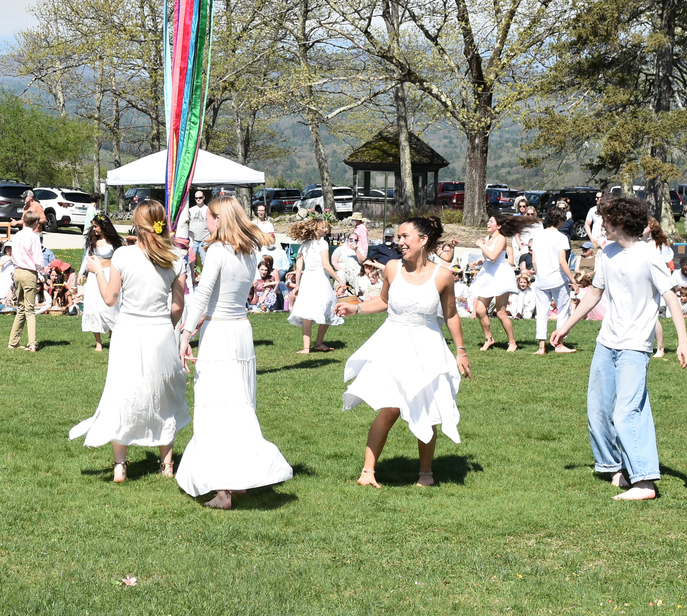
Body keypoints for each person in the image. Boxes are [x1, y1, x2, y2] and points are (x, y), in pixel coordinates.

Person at [553, 195, 687, 502]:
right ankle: (614, 467)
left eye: (607, 222)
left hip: (635, 346)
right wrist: (566, 326)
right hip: (607, 342)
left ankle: (644, 483)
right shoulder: (608, 252)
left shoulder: (649, 256)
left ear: (622, 224)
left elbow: (671, 298)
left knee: (628, 412)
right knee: (598, 412)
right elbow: (594, 294)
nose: (602, 227)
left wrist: (682, 341)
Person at [335, 215, 471, 488]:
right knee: (389, 409)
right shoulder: (392, 268)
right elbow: (383, 301)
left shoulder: (443, 275)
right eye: (398, 237)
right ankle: (368, 472)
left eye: (405, 236)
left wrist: (461, 351)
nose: (399, 242)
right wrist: (357, 307)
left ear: (423, 240)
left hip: (427, 346)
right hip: (393, 345)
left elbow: (452, 314)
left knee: (427, 410)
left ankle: (426, 473)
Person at [175, 197, 294, 508]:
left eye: (211, 218)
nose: (207, 223)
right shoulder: (249, 252)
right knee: (240, 401)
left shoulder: (216, 252)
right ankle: (239, 480)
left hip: (222, 333)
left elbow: (202, 296)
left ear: (220, 219)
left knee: (216, 404)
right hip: (240, 330)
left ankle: (224, 487)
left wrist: (186, 333)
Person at [69, 200, 189, 482]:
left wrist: (98, 270)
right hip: (160, 331)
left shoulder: (123, 255)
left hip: (128, 331)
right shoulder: (175, 257)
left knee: (121, 393)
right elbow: (178, 307)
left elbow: (110, 299)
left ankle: (120, 465)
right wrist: (165, 327)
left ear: (138, 224)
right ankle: (167, 465)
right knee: (163, 395)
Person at [470, 215, 534, 353]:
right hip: (488, 274)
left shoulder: (501, 238)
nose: (488, 223)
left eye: (491, 221)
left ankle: (512, 342)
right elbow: (488, 256)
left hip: (500, 275)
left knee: (500, 313)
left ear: (498, 226)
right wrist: (478, 261)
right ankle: (489, 339)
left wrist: (481, 245)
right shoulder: (488, 239)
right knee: (480, 309)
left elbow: (494, 256)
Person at [287, 216, 341, 354]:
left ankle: (307, 348)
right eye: (323, 227)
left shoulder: (303, 245)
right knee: (328, 307)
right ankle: (319, 343)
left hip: (307, 280)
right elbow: (326, 265)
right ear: (316, 230)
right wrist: (339, 280)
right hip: (320, 279)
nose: (325, 229)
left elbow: (298, 268)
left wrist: (298, 285)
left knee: (307, 312)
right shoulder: (323, 244)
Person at [530, 208, 576, 355]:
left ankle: (541, 346)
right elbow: (562, 261)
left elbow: (534, 261)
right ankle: (559, 344)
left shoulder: (538, 236)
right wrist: (573, 280)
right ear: (560, 221)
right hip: (557, 279)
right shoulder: (561, 237)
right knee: (563, 311)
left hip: (541, 279)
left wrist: (537, 272)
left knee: (542, 312)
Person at [81, 215, 123, 354]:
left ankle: (113, 335)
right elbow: (86, 257)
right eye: (93, 226)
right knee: (94, 306)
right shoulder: (92, 241)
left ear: (103, 226)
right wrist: (81, 273)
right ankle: (98, 342)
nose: (94, 229)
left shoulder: (112, 242)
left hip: (109, 274)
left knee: (110, 307)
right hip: (94, 276)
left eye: (96, 226)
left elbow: (120, 258)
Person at [7, 210, 45, 352]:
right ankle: (32, 343)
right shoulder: (34, 237)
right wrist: (43, 273)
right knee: (29, 309)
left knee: (21, 307)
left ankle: (13, 342)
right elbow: (38, 258)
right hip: (29, 272)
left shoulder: (17, 235)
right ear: (35, 222)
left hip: (17, 272)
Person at [181, 189, 211, 265]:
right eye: (196, 198)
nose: (198, 199)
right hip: (193, 240)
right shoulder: (190, 210)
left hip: (204, 240)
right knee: (190, 262)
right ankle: (193, 276)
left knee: (205, 262)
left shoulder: (208, 210)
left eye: (200, 197)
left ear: (204, 197)